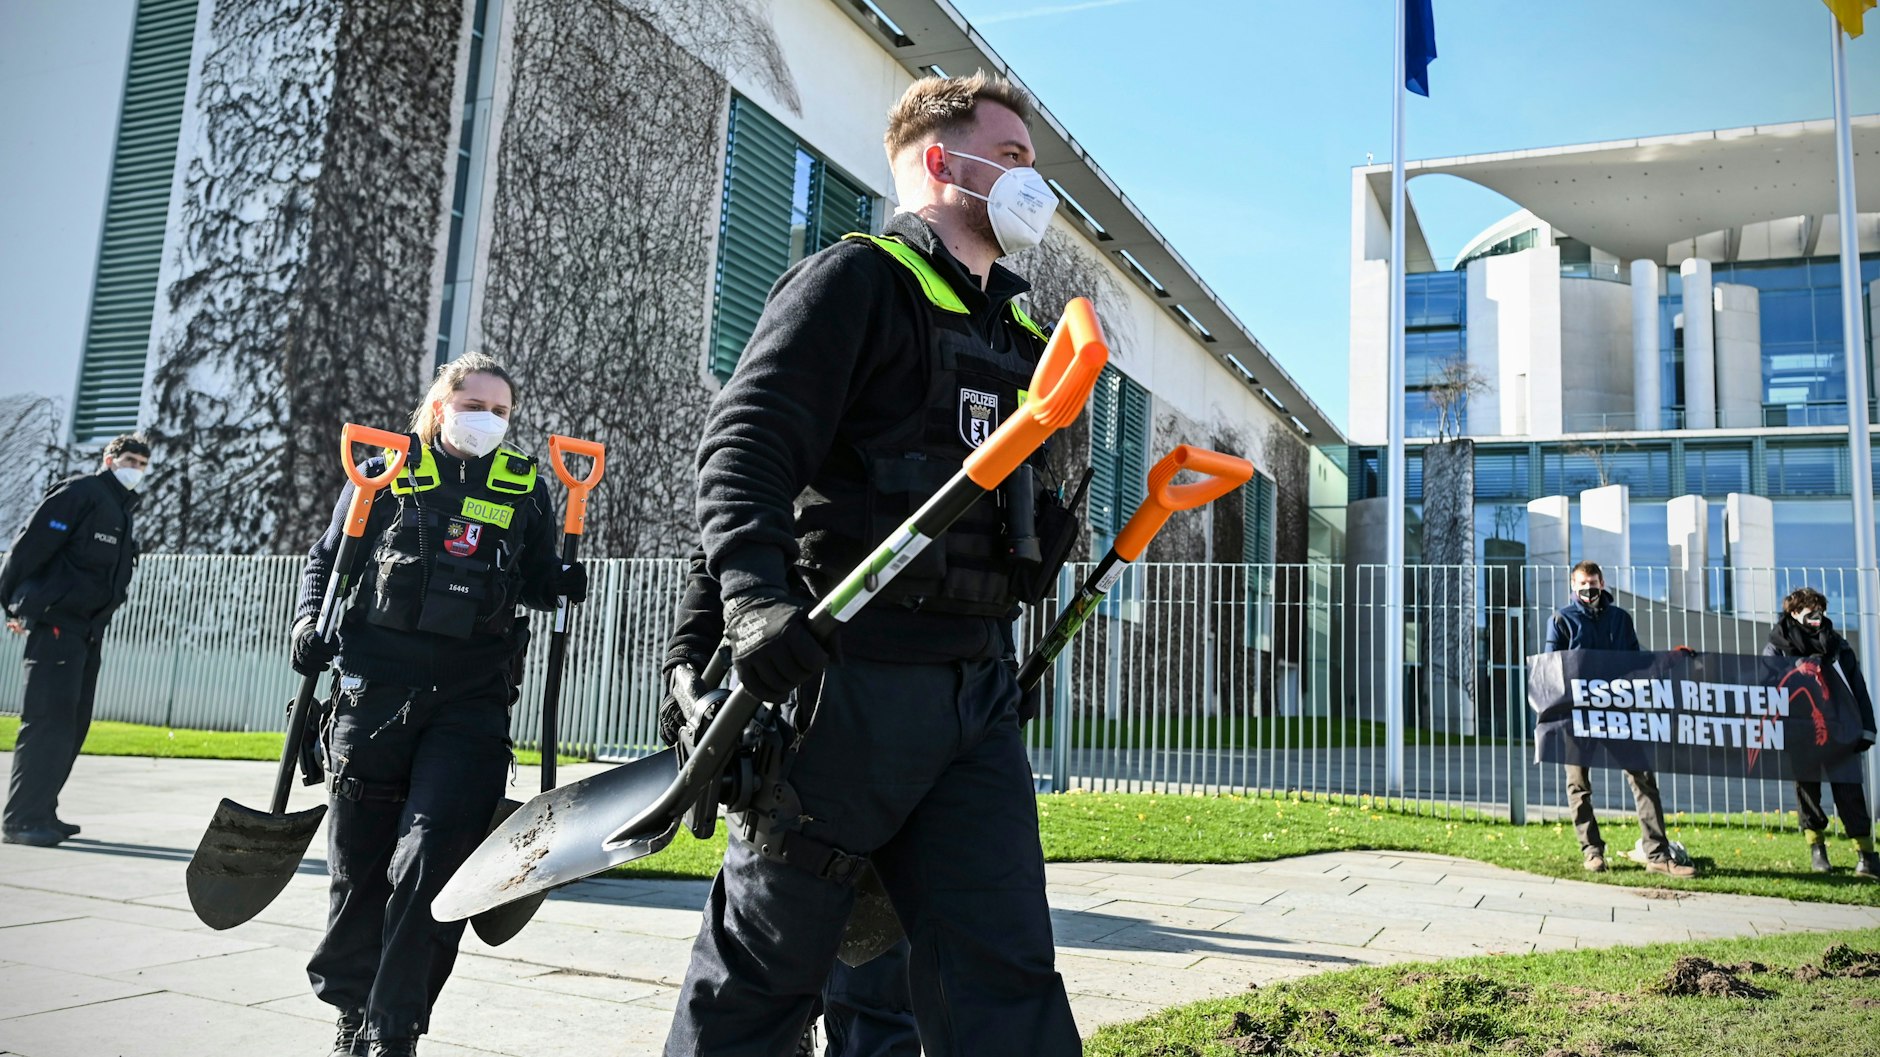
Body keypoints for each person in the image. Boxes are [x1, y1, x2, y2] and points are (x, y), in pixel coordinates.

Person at [665, 71, 1081, 1055]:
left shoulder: (1018, 336)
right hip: (838, 690)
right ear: (943, 161)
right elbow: (746, 451)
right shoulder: (852, 283)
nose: (1033, 184)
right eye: (1013, 158)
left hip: (971, 696)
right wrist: (748, 609)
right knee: (759, 986)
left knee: (1005, 971)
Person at [292, 353, 585, 1057]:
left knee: (439, 858)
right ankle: (353, 1008)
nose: (486, 418)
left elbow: (538, 580)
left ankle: (395, 1027)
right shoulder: (387, 469)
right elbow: (327, 561)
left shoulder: (525, 487)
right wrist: (307, 621)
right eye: (474, 402)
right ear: (441, 403)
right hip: (375, 693)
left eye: (501, 409)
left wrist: (564, 577)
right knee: (360, 867)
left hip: (471, 699)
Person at [661, 550, 920, 1057]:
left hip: (919, 711)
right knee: (751, 976)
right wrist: (685, 658)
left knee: (879, 980)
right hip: (809, 707)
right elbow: (727, 543)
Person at [1, 433, 149, 847]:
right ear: (109, 458)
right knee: (47, 722)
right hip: (55, 625)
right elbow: (29, 548)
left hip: (87, 631)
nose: (134, 468)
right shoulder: (80, 494)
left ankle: (43, 809)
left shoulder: (121, 510)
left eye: (141, 463)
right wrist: (15, 605)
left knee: (72, 724)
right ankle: (22, 819)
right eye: (129, 459)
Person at [1545, 559, 1697, 879]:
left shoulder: (1620, 619)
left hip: (1618, 712)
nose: (1588, 588)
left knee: (1643, 778)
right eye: (1582, 583)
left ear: (1602, 583)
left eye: (1593, 582)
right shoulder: (1561, 619)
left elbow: (1636, 661)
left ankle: (1657, 853)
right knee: (1579, 784)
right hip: (1578, 716)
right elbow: (1550, 666)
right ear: (1574, 586)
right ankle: (1593, 852)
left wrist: (1669, 659)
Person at [1763, 586, 1878, 878]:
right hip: (1800, 732)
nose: (1818, 617)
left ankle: (1866, 855)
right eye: (1811, 612)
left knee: (1850, 789)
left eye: (1822, 612)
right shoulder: (1776, 645)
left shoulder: (1838, 645)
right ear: (1793, 612)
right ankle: (1818, 851)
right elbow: (1767, 685)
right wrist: (1795, 668)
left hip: (1841, 729)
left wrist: (1867, 728)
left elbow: (1857, 686)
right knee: (1807, 791)